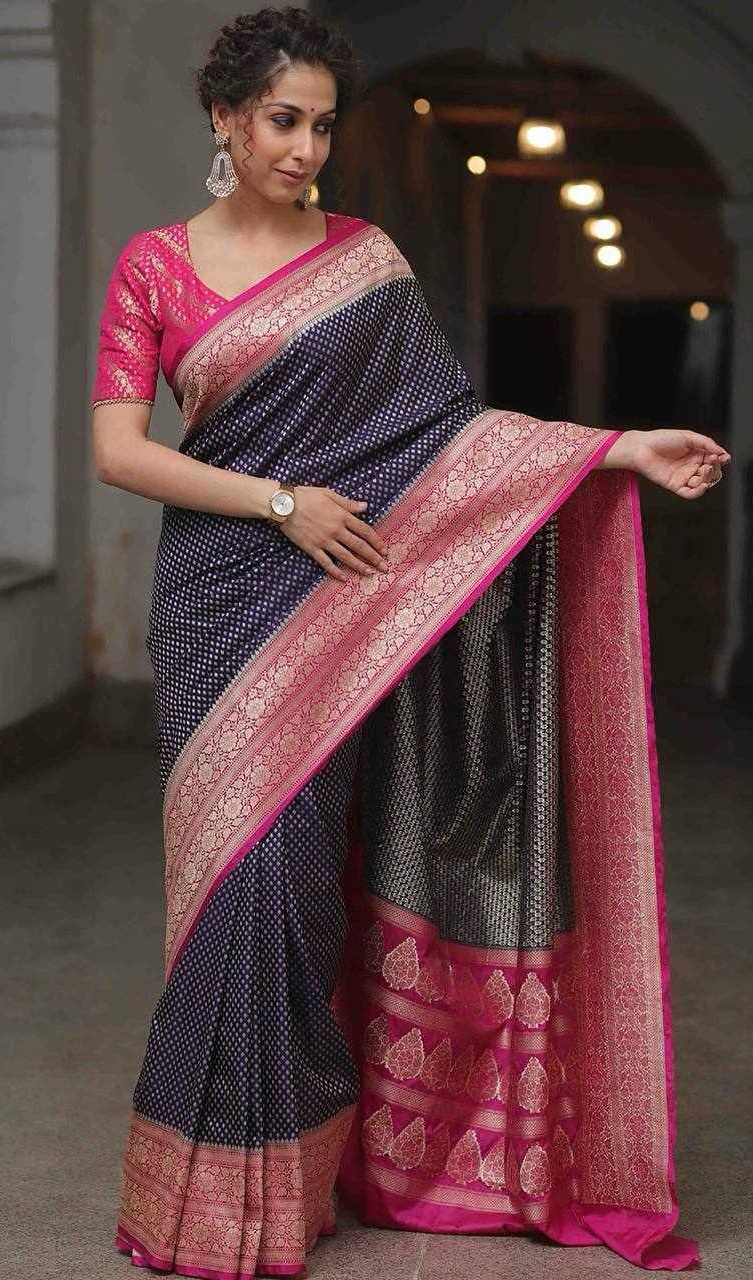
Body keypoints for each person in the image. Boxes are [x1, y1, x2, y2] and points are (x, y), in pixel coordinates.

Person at [91, 8, 728, 1276]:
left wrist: (615, 450)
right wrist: (283, 501)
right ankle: (204, 1203)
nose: (304, 148)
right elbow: (120, 451)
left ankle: (283, 1194)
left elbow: (446, 436)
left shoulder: (364, 262)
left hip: (339, 606)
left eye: (323, 126)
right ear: (225, 117)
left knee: (295, 887)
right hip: (219, 599)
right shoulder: (155, 266)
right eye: (283, 120)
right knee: (228, 889)